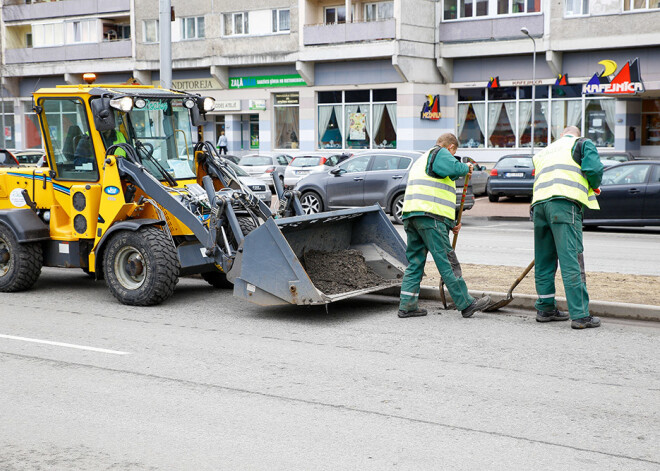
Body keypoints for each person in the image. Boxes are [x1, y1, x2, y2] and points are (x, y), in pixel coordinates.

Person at [398, 133, 491, 319]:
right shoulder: (440, 153)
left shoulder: (422, 159)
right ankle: (466, 303)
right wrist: (466, 167)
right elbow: (453, 167)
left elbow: (434, 189)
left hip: (412, 215)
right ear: (451, 148)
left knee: (415, 262)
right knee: (447, 261)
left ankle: (407, 306)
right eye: (454, 152)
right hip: (430, 217)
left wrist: (451, 223)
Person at [531, 125, 604, 329]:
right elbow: (594, 170)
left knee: (544, 260)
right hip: (564, 205)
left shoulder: (544, 151)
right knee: (571, 258)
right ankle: (580, 315)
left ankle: (545, 308)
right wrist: (594, 184)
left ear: (561, 135)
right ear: (576, 134)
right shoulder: (582, 143)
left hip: (539, 206)